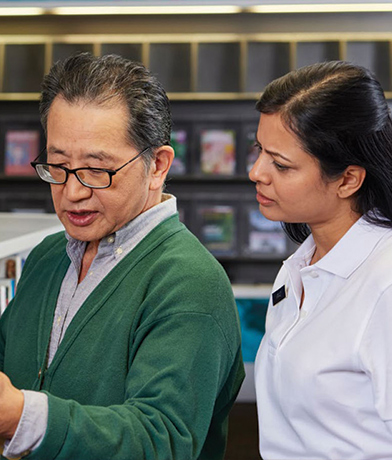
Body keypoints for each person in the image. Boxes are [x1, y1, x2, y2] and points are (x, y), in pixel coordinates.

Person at [0, 52, 244, 460]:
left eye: (98, 170)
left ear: (158, 166)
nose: (73, 192)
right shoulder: (48, 257)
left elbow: (161, 441)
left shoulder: (189, 283)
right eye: (57, 165)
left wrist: (22, 416)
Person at [249, 60, 392, 460]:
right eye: (259, 151)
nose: (257, 172)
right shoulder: (298, 267)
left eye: (281, 164)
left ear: (348, 179)